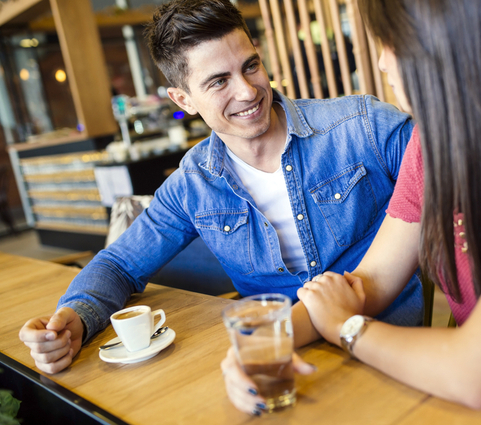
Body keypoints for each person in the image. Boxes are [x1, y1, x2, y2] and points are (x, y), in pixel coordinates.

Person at [222, 0, 481, 414]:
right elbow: (369, 283)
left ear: (440, 40)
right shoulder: (435, 141)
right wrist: (263, 345)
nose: (383, 64)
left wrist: (348, 329)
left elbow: (476, 370)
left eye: (388, 42)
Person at [18, 0, 423, 375]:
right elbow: (119, 263)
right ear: (183, 98)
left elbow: (453, 176)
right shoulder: (192, 185)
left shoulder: (362, 126)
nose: (247, 91)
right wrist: (76, 316)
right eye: (218, 82)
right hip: (276, 358)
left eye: (250, 66)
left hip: (389, 345)